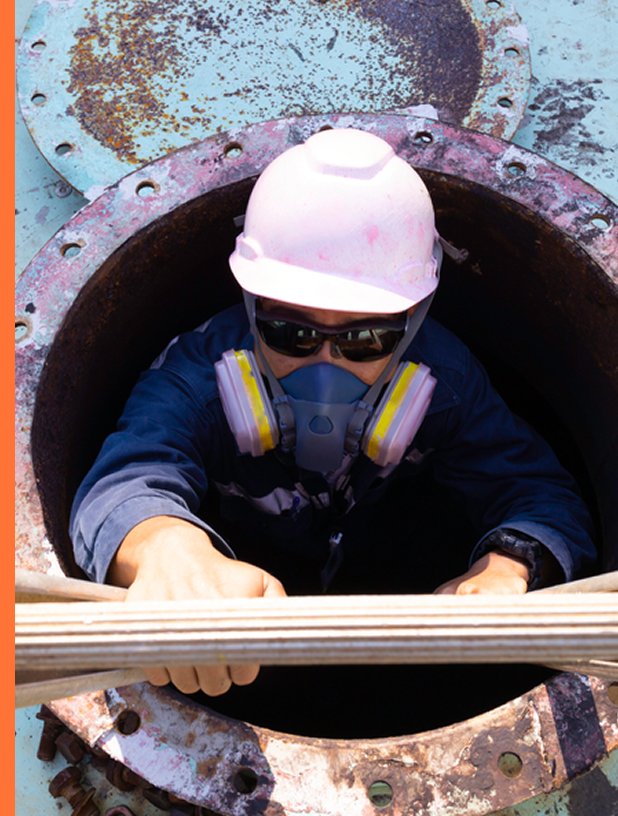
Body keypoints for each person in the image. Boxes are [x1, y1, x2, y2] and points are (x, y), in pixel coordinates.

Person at [70, 128, 596, 698]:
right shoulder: (198, 379)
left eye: (366, 339)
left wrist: (506, 569)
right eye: (290, 331)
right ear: (251, 308)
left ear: (415, 321)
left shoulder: (444, 381)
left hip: (388, 553)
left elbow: (540, 493)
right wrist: (165, 549)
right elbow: (124, 479)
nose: (326, 364)